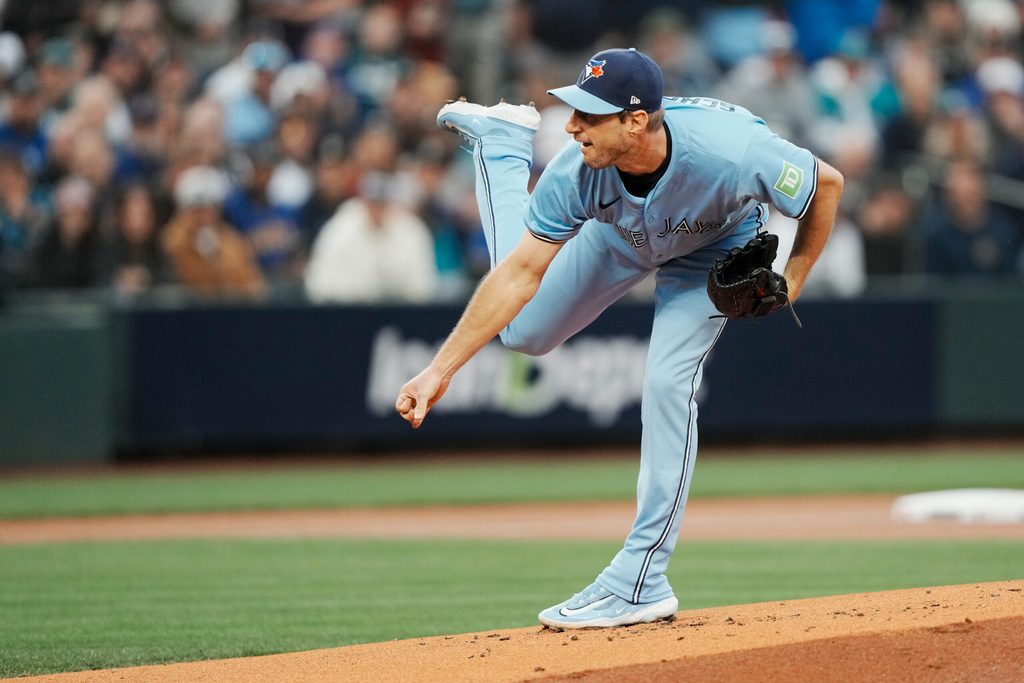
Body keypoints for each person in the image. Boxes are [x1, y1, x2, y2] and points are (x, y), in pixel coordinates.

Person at [395, 48, 843, 629]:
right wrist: (440, 370)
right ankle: (503, 146)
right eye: (574, 109)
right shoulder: (575, 168)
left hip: (714, 248)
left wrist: (793, 280)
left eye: (589, 114)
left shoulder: (733, 151)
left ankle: (641, 580)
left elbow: (825, 185)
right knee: (523, 332)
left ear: (635, 121)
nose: (571, 125)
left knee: (665, 385)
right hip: (620, 236)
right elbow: (519, 273)